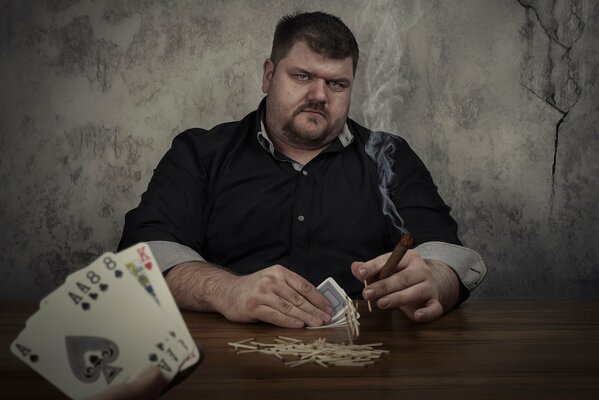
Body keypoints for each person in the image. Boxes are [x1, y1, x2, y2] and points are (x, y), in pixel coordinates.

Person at [119, 11, 486, 328]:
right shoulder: (200, 153)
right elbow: (143, 253)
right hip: (225, 363)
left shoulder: (390, 156)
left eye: (336, 83)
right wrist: (228, 290)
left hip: (363, 364)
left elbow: (447, 253)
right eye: (302, 76)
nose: (319, 95)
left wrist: (436, 280)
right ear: (268, 75)